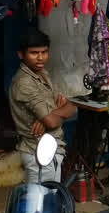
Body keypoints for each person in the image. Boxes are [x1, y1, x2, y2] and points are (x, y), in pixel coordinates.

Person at [9, 28, 76, 183]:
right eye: (34, 53)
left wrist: (52, 116)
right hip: (38, 151)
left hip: (51, 147)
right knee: (38, 201)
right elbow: (52, 121)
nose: (40, 58)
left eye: (44, 52)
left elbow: (71, 106)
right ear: (21, 55)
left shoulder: (43, 74)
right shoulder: (24, 83)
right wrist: (54, 116)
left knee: (49, 199)